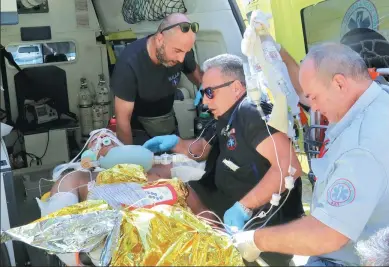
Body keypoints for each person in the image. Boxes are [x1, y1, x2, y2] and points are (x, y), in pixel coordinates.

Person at [232, 43, 389, 266]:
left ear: (339, 83)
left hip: (349, 259)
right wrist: (279, 53)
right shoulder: (377, 98)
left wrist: (255, 240)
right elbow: (306, 89)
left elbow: (328, 233)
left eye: (314, 97)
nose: (312, 107)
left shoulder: (362, 147)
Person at [143, 53, 305, 266]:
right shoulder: (224, 117)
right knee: (163, 187)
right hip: (222, 201)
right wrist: (173, 143)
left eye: (210, 92)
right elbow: (201, 149)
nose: (205, 101)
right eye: (203, 93)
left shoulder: (251, 112)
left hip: (257, 222)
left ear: (236, 87)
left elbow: (290, 167)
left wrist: (244, 208)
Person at [110, 13, 203, 145]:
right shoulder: (129, 63)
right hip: (139, 129)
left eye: (186, 51)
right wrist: (130, 159)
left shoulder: (182, 50)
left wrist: (206, 89)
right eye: (177, 51)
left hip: (168, 120)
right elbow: (123, 121)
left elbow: (200, 79)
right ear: (160, 39)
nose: (181, 59)